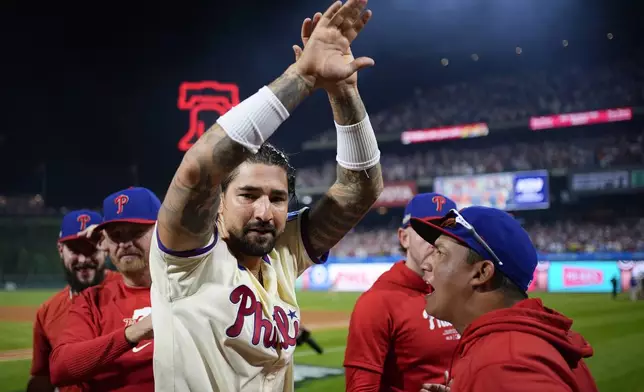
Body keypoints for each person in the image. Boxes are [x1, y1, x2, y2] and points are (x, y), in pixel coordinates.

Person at [149, 1, 383, 390]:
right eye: (248, 194)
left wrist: (343, 91)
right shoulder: (186, 258)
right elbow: (197, 170)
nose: (263, 211)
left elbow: (362, 189)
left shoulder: (283, 253)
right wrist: (302, 76)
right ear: (218, 203)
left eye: (276, 198)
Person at [411, 207, 599, 392]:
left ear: (482, 273)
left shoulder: (503, 364)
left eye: (440, 253)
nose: (425, 264)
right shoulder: (517, 349)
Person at [344, 193, 460, 392]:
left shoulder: (460, 292)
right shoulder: (377, 302)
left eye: (447, 232)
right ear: (404, 238)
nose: (439, 240)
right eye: (427, 231)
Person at [49, 187, 160, 392]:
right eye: (116, 235)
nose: (125, 243)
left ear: (162, 233)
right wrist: (134, 332)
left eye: (136, 232)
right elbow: (60, 367)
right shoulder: (92, 301)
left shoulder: (186, 288)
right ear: (104, 243)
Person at [28, 209, 116, 392]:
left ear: (105, 248)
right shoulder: (47, 311)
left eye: (91, 249)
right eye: (75, 250)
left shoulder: (130, 289)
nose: (83, 259)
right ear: (61, 250)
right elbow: (43, 376)